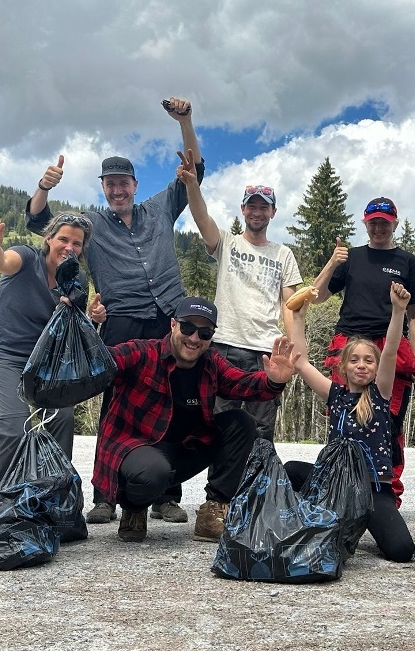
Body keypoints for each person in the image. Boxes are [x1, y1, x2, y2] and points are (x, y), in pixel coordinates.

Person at [25, 96, 201, 525]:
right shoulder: (91, 224)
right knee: (116, 405)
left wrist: (186, 121)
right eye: (110, 183)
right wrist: (45, 186)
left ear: (136, 185)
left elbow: (193, 169)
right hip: (120, 322)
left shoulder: (160, 208)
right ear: (103, 187)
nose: (118, 189)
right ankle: (105, 495)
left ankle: (165, 495)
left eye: (124, 182)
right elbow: (38, 222)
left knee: (174, 403)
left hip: (169, 320)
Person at [94, 296, 297, 543]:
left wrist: (275, 380)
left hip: (180, 453)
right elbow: (98, 360)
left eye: (204, 332)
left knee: (241, 423)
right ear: (173, 325)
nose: (194, 338)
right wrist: (88, 324)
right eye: (188, 327)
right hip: (136, 453)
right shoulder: (141, 352)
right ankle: (134, 507)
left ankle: (213, 511)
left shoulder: (211, 363)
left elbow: (243, 383)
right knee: (153, 472)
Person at [0, 212, 106, 499]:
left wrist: (94, 318)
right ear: (48, 238)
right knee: (13, 429)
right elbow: (3, 263)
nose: (69, 247)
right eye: (63, 239)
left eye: (77, 243)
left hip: (45, 366)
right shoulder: (27, 258)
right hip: (2, 355)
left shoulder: (77, 279)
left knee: (62, 418)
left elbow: (74, 328)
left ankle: (54, 500)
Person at [285, 282, 415, 562]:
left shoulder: (381, 394)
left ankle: (360, 522)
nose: (361, 365)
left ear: (376, 367)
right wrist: (298, 318)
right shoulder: (335, 394)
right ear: (342, 367)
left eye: (369, 360)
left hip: (372, 489)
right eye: (354, 360)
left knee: (402, 551)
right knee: (291, 470)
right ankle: (308, 515)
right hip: (337, 485)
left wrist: (398, 311)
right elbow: (300, 362)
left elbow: (391, 350)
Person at [309, 196, 415, 498]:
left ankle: (388, 492)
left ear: (394, 223)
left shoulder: (407, 261)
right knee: (342, 414)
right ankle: (338, 486)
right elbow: (316, 297)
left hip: (391, 346)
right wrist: (333, 261)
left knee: (391, 421)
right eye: (373, 222)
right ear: (365, 223)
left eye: (384, 222)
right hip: (349, 344)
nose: (378, 227)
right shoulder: (353, 258)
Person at [182, 162, 302, 440]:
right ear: (243, 209)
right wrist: (192, 186)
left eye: (264, 207)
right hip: (225, 346)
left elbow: (291, 306)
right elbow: (202, 218)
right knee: (221, 424)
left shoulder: (283, 254)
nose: (257, 212)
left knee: (262, 430)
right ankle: (221, 485)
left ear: (273, 212)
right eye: (252, 206)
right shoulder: (226, 242)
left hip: (266, 350)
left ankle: (260, 483)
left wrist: (294, 354)